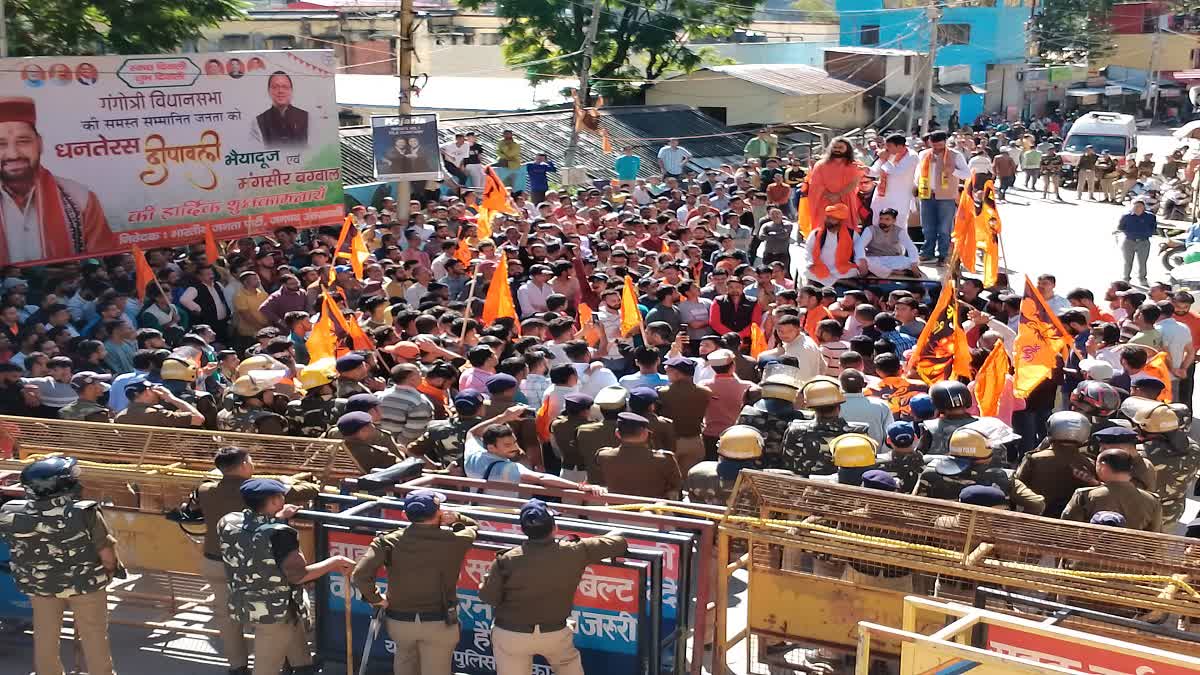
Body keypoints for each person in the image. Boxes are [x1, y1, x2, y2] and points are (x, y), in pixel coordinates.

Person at [189, 447, 318, 675]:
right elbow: (310, 490)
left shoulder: (206, 489)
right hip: (253, 566)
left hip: (215, 562)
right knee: (279, 615)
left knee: (227, 617)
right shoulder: (258, 492)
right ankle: (299, 663)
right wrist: (285, 482)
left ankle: (237, 667)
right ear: (244, 465)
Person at [218, 478, 355, 675]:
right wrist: (335, 562)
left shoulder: (228, 521)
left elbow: (254, 540)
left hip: (243, 601)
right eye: (281, 496)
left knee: (297, 645)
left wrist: (277, 520)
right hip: (274, 612)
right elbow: (298, 575)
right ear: (274, 501)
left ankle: (304, 667)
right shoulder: (281, 534)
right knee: (266, 666)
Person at [0, 456, 122, 675]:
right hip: (86, 585)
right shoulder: (85, 512)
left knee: (45, 635)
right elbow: (107, 555)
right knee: (94, 636)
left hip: (39, 585)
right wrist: (109, 572)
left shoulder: (9, 511)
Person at [479, 499, 628, 675]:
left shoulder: (506, 560)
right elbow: (619, 543)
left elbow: (488, 597)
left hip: (511, 634)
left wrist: (484, 582)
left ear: (523, 529)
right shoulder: (576, 550)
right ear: (554, 527)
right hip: (555, 633)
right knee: (568, 666)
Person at [351, 489, 479, 675]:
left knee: (404, 662)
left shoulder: (387, 540)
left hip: (399, 621)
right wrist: (458, 517)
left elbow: (360, 574)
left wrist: (375, 598)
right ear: (439, 513)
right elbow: (474, 527)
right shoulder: (455, 539)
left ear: (405, 515)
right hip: (439, 622)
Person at [0, 96, 114, 265]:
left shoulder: (79, 198)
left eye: (23, 141)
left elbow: (104, 259)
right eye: (1, 144)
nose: (13, 154)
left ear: (40, 143)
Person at [914, 428, 1045, 514]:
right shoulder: (1005, 477)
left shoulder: (929, 472)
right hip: (990, 539)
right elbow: (1037, 503)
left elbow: (915, 507)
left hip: (938, 538)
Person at [780, 376, 869, 476]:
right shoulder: (858, 433)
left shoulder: (795, 430)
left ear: (811, 407)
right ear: (839, 406)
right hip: (841, 489)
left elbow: (787, 462)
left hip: (802, 489)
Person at [1061, 449, 1161, 532]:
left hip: (1090, 553)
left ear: (1103, 466)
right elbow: (1155, 536)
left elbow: (1067, 529)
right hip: (1131, 554)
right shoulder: (1152, 500)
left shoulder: (1084, 495)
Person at [595, 412, 683, 498]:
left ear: (617, 434)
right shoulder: (664, 459)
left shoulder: (603, 456)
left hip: (615, 509)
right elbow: (676, 487)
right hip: (653, 510)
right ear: (645, 434)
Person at [915, 131, 970, 263]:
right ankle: (927, 252)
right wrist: (915, 186)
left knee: (944, 228)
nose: (937, 149)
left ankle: (943, 254)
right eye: (934, 146)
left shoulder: (956, 155)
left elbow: (967, 175)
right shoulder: (924, 154)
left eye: (940, 146)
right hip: (926, 194)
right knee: (927, 227)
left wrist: (953, 171)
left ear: (945, 142)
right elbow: (918, 173)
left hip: (946, 196)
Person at [854, 207, 919, 278]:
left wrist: (914, 263)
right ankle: (896, 272)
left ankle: (880, 272)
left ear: (894, 220)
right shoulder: (870, 230)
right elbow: (859, 245)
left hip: (893, 258)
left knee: (912, 261)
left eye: (887, 219)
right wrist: (862, 260)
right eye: (881, 219)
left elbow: (910, 247)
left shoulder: (899, 231)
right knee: (860, 260)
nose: (882, 221)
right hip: (875, 259)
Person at [805, 203, 860, 287]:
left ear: (840, 221)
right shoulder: (816, 233)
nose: (829, 221)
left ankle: (828, 281)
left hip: (840, 269)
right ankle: (837, 282)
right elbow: (808, 250)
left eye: (833, 219)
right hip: (820, 267)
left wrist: (860, 261)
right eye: (828, 218)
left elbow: (859, 252)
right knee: (807, 271)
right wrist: (811, 263)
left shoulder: (852, 234)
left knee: (854, 271)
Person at [869, 134, 918, 226]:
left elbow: (897, 172)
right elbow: (875, 171)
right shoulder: (887, 153)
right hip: (882, 195)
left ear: (899, 146)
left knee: (899, 224)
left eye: (889, 146)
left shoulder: (912, 156)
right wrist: (864, 169)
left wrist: (885, 160)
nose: (886, 148)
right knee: (877, 223)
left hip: (900, 196)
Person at [252, 72, 308, 147]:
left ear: (291, 90)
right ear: (269, 91)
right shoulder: (259, 121)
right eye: (275, 87)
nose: (280, 91)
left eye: (285, 87)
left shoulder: (306, 117)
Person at [1117, 198, 1155, 286]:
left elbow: (1153, 228)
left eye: (1140, 206)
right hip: (1129, 241)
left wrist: (1147, 233)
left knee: (1142, 262)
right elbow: (1120, 227)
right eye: (1135, 206)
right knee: (1127, 261)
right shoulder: (1126, 216)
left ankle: (1142, 278)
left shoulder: (1150, 217)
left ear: (1143, 207)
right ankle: (1126, 278)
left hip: (1143, 242)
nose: (1137, 208)